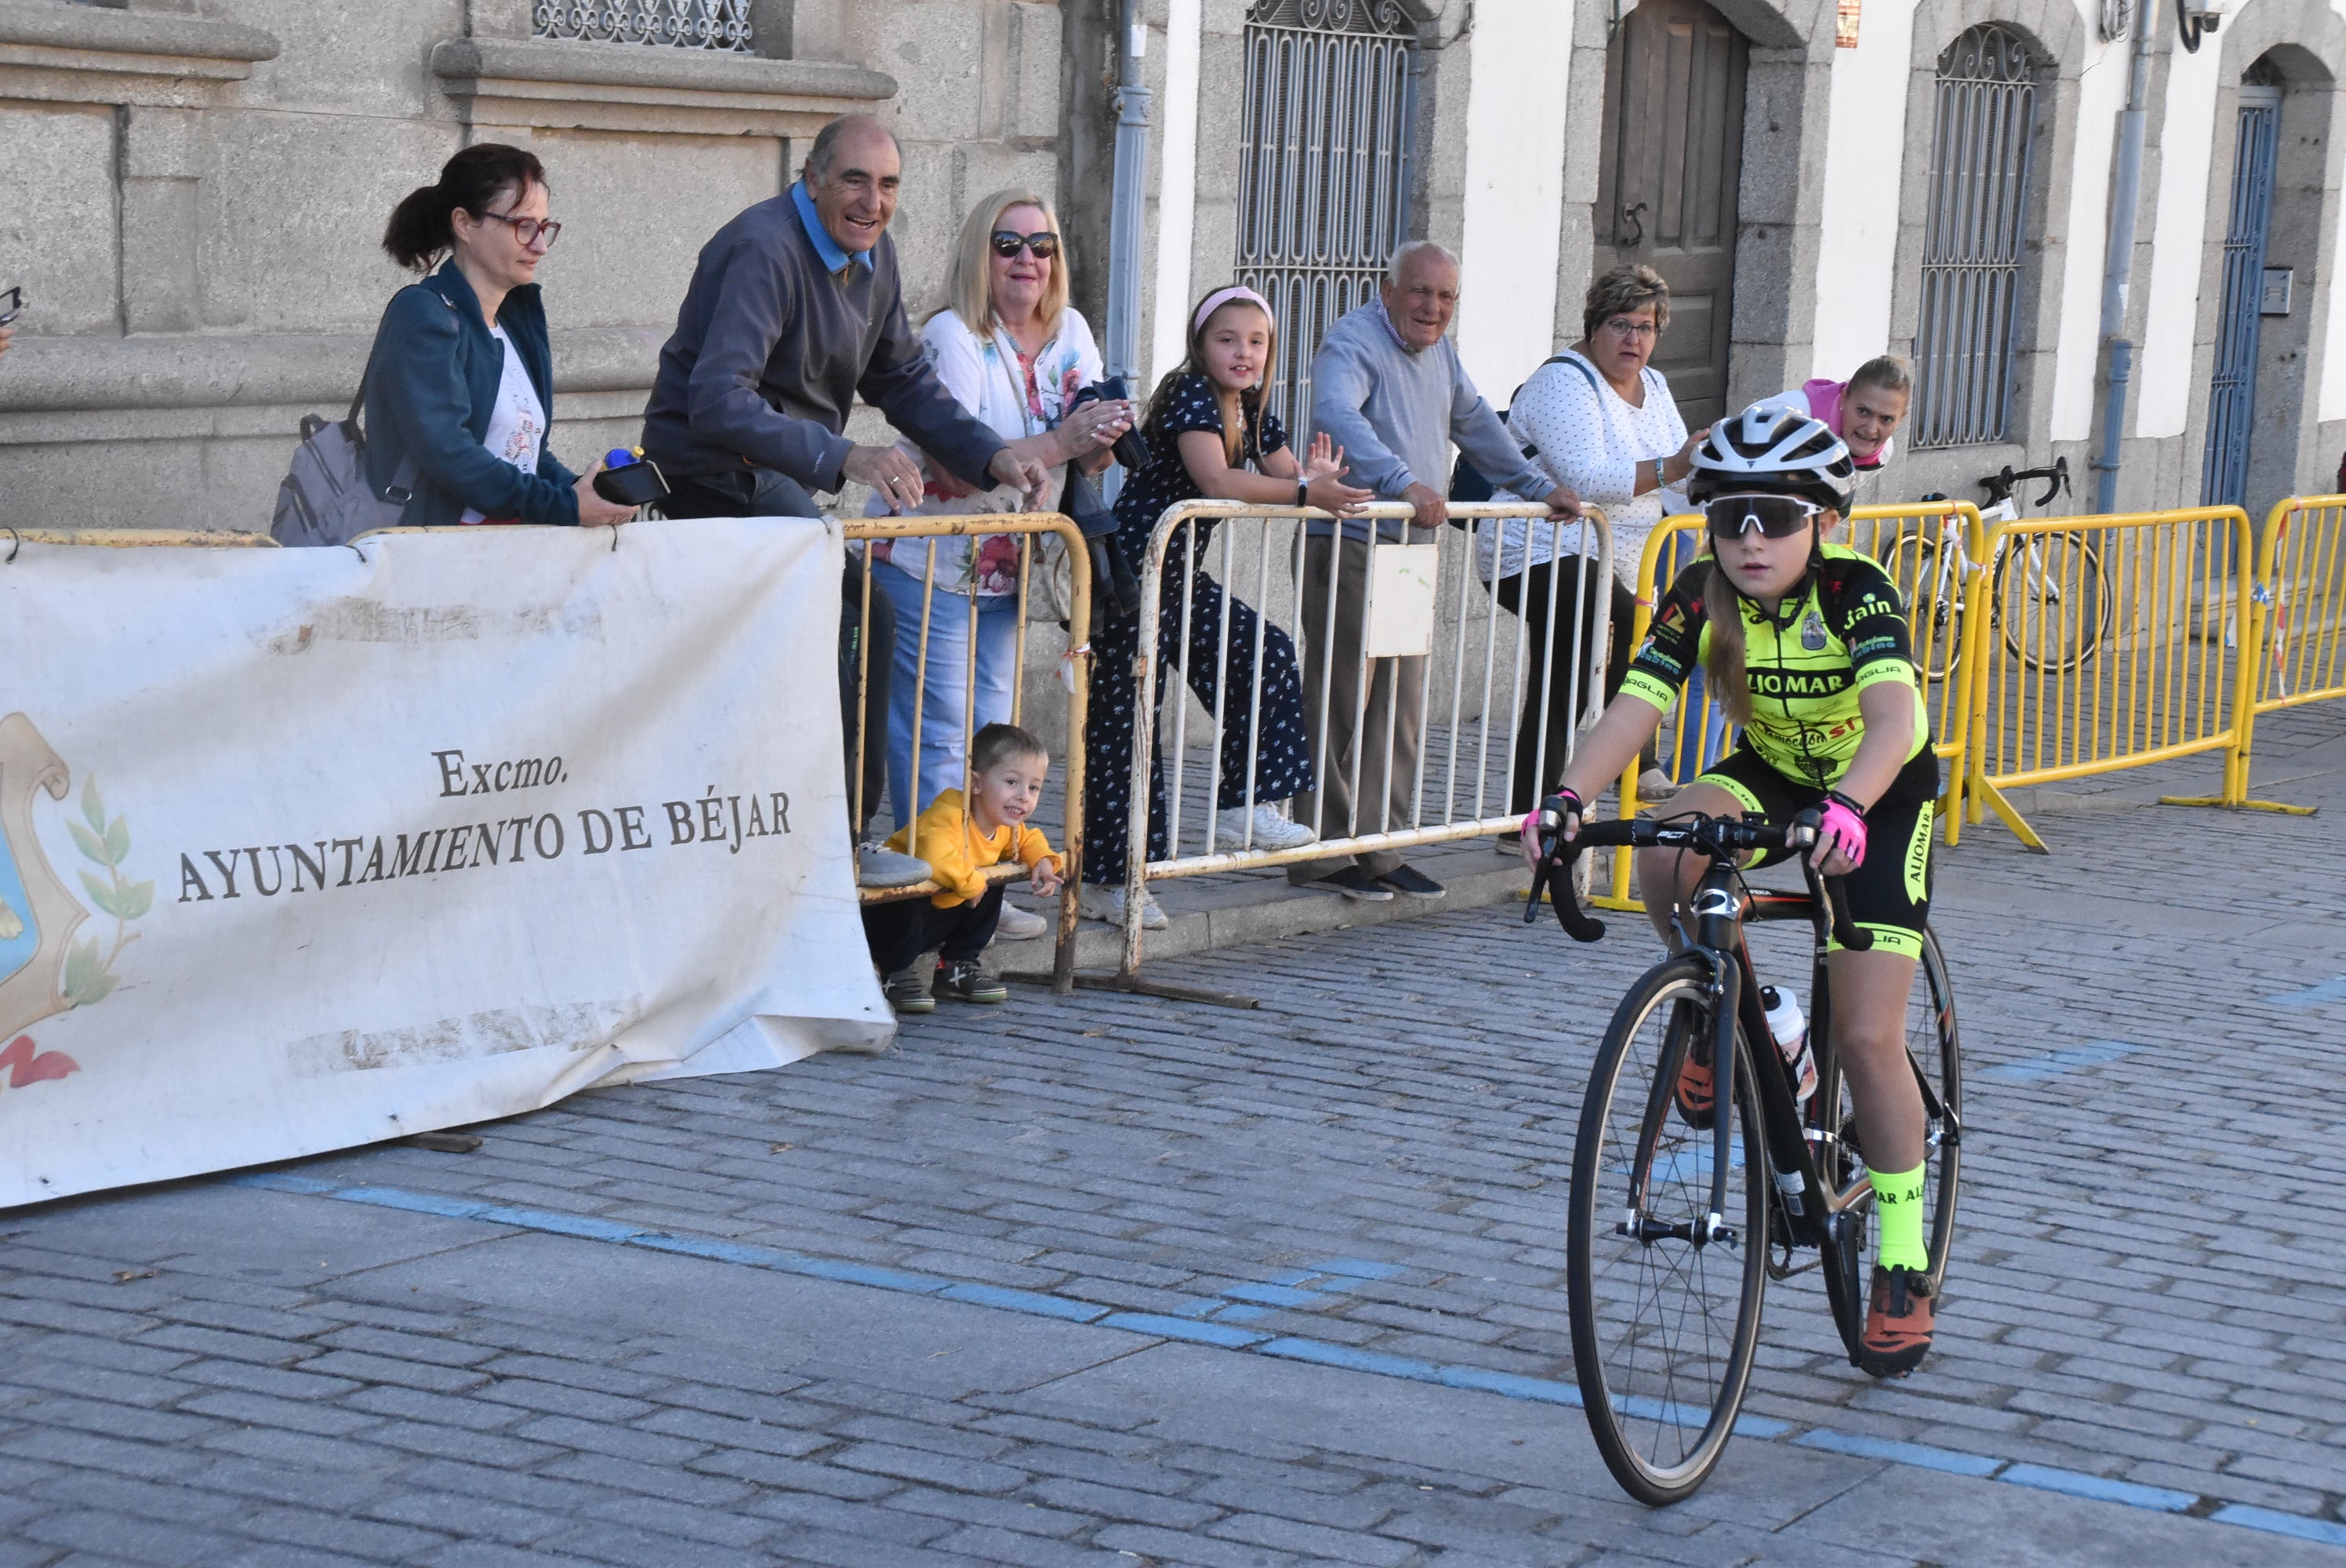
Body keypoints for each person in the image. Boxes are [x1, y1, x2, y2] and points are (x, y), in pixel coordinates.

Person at [1542, 398, 1943, 1378]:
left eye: (1777, 515)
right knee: (1665, 849)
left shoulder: (1857, 590)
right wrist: (1563, 798)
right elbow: (1636, 704)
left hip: (1876, 791)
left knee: (1867, 1033)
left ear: (1826, 521)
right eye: (1731, 517)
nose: (1751, 538)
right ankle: (1745, 1011)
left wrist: (1848, 803)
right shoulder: (1695, 592)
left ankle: (1899, 1250)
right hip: (1771, 768)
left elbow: (1893, 718)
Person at [640, 114, 1050, 887]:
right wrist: (845, 454)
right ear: (813, 179)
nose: (872, 200)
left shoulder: (873, 254)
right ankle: (815, 838)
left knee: (868, 618)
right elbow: (716, 400)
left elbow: (900, 379)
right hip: (710, 475)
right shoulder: (764, 247)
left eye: (888, 184)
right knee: (856, 617)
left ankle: (841, 834)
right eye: (855, 180)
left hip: (777, 475)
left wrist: (992, 454)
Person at [864, 189, 1133, 939]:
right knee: (939, 734)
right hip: (931, 559)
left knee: (995, 739)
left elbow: (1087, 440)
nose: (1027, 261)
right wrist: (1064, 442)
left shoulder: (1070, 329)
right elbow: (958, 465)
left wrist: (1104, 439)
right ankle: (928, 899)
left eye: (1042, 246)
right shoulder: (954, 336)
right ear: (980, 255)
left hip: (1008, 568)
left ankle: (977, 894)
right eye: (1008, 245)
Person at [1077, 285, 1370, 931]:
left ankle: (1245, 802)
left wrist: (1315, 477)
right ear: (1200, 345)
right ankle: (1111, 878)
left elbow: (1287, 472)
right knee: (1127, 724)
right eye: (1227, 340)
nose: (1243, 353)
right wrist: (1304, 490)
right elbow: (1217, 480)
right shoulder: (1188, 392)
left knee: (1266, 651)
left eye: (1257, 342)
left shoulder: (1254, 405)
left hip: (1177, 574)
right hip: (1136, 570)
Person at [1296, 241, 1582, 902]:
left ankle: (1379, 847)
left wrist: (1536, 484)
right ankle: (1317, 847)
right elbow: (1335, 414)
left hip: (1407, 548)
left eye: (1446, 296)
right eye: (1420, 292)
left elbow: (1476, 420)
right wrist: (1404, 480)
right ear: (1387, 289)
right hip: (1353, 539)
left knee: (1399, 699)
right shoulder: (1354, 340)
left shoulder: (1439, 352)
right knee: (1341, 694)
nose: (1433, 307)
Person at [1483, 263, 1706, 815]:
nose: (1634, 340)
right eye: (1621, 325)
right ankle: (1639, 758)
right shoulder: (1564, 379)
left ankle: (1531, 815)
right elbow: (1586, 477)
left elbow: (1679, 478)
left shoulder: (1654, 384)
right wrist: (1673, 467)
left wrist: (1707, 488)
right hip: (1537, 548)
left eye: (1647, 328)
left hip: (1615, 559)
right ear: (1593, 325)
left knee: (1566, 673)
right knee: (1620, 623)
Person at [369, 145, 635, 531]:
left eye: (545, 228)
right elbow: (449, 454)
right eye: (523, 226)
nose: (540, 245)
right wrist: (563, 505)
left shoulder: (516, 319)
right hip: (437, 551)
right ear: (464, 223)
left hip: (509, 549)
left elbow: (526, 452)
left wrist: (583, 491)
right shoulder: (424, 314)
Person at [865, 722, 1064, 1014]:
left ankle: (957, 964)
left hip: (935, 920)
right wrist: (971, 882)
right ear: (977, 783)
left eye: (1034, 787)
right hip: (887, 917)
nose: (1024, 796)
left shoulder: (1002, 826)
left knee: (993, 877)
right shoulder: (948, 814)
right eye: (1012, 782)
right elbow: (935, 856)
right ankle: (893, 971)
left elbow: (1029, 840)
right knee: (927, 885)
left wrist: (1044, 860)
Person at [1791, 356, 1912, 510]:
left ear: (1901, 419)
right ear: (1843, 398)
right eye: (1863, 411)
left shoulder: (1883, 454)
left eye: (1886, 419)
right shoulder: (1794, 414)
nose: (1871, 429)